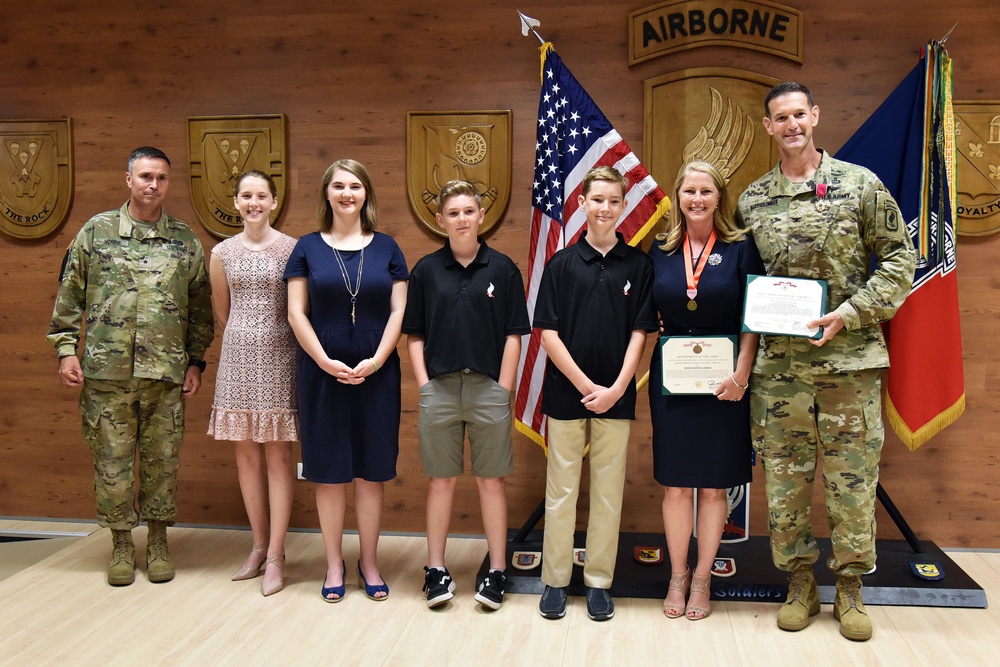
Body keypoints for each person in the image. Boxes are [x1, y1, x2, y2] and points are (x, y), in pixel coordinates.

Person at [735, 82, 916, 641]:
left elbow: (900, 257)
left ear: (815, 116)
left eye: (799, 114)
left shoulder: (859, 185)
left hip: (849, 365)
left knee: (853, 482)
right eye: (780, 118)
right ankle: (799, 583)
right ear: (768, 127)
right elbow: (746, 285)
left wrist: (852, 312)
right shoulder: (751, 200)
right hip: (779, 374)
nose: (791, 125)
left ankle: (853, 590)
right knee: (786, 483)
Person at [47, 146, 214, 586]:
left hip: (165, 377)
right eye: (145, 176)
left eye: (161, 177)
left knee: (162, 463)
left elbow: (200, 309)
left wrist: (196, 362)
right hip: (107, 376)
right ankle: (121, 543)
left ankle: (158, 541)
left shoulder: (184, 240)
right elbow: (68, 298)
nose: (153, 185)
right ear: (129, 180)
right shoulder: (95, 233)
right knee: (113, 464)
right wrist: (66, 350)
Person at [534, 166, 658, 622]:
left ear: (623, 207)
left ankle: (599, 582)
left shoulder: (638, 265)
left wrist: (618, 388)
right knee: (561, 488)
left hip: (618, 393)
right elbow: (547, 333)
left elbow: (641, 334)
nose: (604, 208)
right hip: (569, 392)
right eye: (597, 199)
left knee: (607, 491)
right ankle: (555, 580)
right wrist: (588, 387)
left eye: (613, 201)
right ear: (582, 204)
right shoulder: (561, 264)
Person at [402, 180, 530, 610]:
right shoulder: (424, 271)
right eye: (452, 213)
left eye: (468, 212)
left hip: (487, 390)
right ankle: (436, 569)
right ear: (440, 220)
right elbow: (414, 336)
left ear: (480, 216)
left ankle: (496, 569)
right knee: (441, 481)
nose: (461, 219)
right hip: (438, 390)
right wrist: (423, 385)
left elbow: (515, 335)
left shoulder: (503, 269)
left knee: (491, 481)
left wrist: (503, 389)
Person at [284, 158, 408, 603]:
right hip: (321, 372)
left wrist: (376, 361)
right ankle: (334, 563)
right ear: (327, 194)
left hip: (377, 372)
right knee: (330, 473)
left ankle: (368, 562)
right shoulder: (307, 247)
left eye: (355, 185)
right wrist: (322, 359)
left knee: (371, 474)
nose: (347, 193)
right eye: (338, 186)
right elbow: (296, 312)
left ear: (366, 194)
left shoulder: (389, 247)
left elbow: (398, 312)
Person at [648, 161, 763, 621]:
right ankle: (677, 575)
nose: (697, 199)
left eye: (706, 191)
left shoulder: (741, 249)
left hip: (725, 383)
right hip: (673, 380)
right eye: (689, 191)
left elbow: (753, 318)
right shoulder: (659, 249)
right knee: (677, 487)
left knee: (715, 489)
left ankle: (702, 579)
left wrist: (742, 375)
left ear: (720, 197)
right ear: (677, 197)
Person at [208, 170, 298, 596]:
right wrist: (245, 336)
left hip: (281, 358)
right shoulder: (222, 253)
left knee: (279, 458)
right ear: (237, 202)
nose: (254, 202)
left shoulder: (291, 249)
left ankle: (278, 554)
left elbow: (299, 308)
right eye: (246, 196)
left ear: (274, 202)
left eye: (261, 195)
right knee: (245, 458)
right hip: (238, 361)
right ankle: (258, 546)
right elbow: (223, 313)